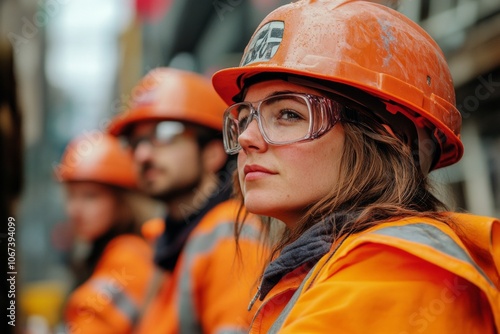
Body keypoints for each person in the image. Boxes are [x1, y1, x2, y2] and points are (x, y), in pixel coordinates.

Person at [211, 0, 500, 332]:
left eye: (289, 114)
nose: (247, 137)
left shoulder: (394, 272)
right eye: (245, 118)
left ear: (382, 138)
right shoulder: (327, 269)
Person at [107, 67, 266, 333]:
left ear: (212, 154)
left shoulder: (230, 232)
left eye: (166, 134)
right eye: (135, 142)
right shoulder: (167, 240)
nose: (143, 154)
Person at [58, 131, 155, 333]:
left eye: (90, 196)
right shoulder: (102, 252)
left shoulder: (130, 255)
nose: (74, 210)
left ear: (122, 201)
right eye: (71, 196)